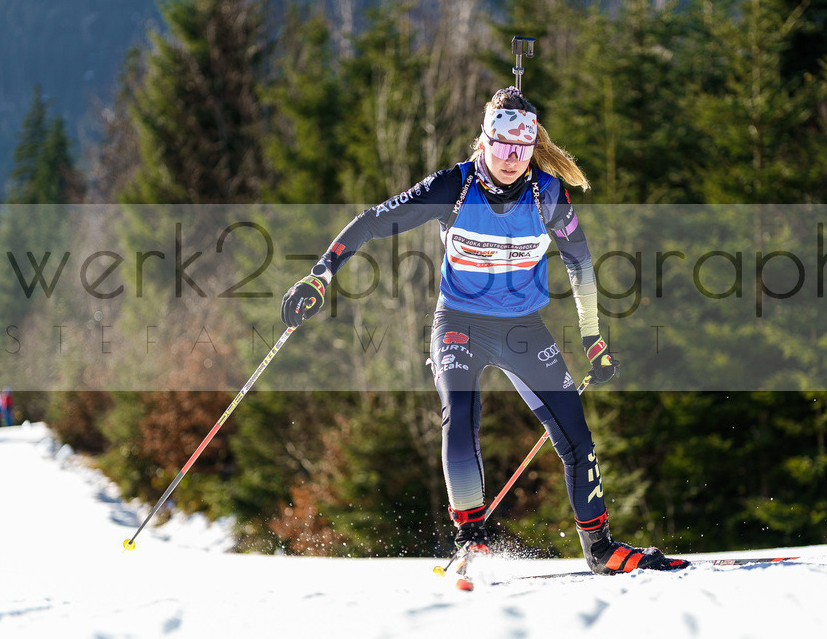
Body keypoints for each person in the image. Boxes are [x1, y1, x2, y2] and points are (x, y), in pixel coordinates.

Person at [281, 86, 688, 574]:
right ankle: (471, 536)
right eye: (503, 146)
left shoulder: (548, 193)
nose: (513, 158)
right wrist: (320, 275)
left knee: (576, 435)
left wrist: (592, 336)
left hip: (522, 329)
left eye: (523, 148)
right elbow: (372, 222)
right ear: (484, 141)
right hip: (459, 324)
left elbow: (579, 262)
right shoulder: (453, 187)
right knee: (460, 415)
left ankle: (601, 550)